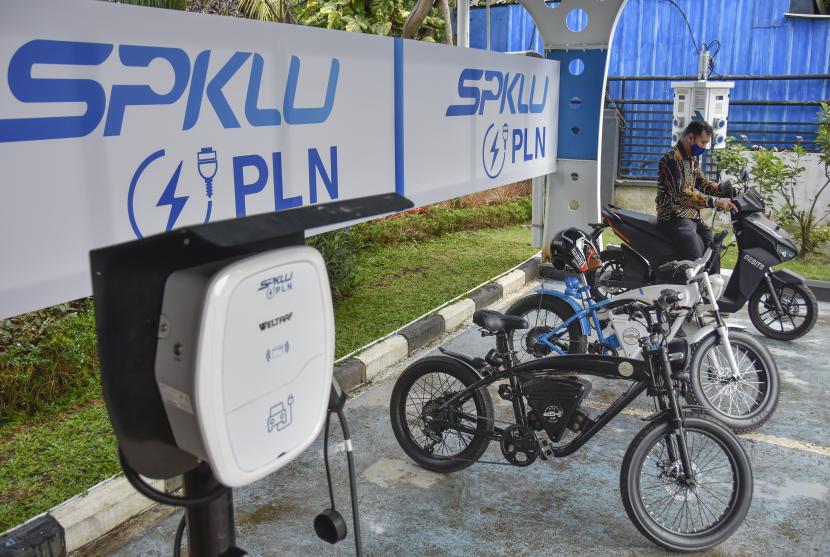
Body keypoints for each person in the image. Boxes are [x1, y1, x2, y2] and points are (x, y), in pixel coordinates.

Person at [655, 121, 736, 273]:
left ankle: (711, 289)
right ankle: (692, 289)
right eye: (703, 142)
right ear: (691, 138)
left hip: (692, 217)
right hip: (673, 217)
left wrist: (729, 191)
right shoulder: (672, 160)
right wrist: (715, 202)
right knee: (696, 258)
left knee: (714, 248)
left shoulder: (691, 160)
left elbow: (703, 184)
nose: (704, 146)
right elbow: (681, 195)